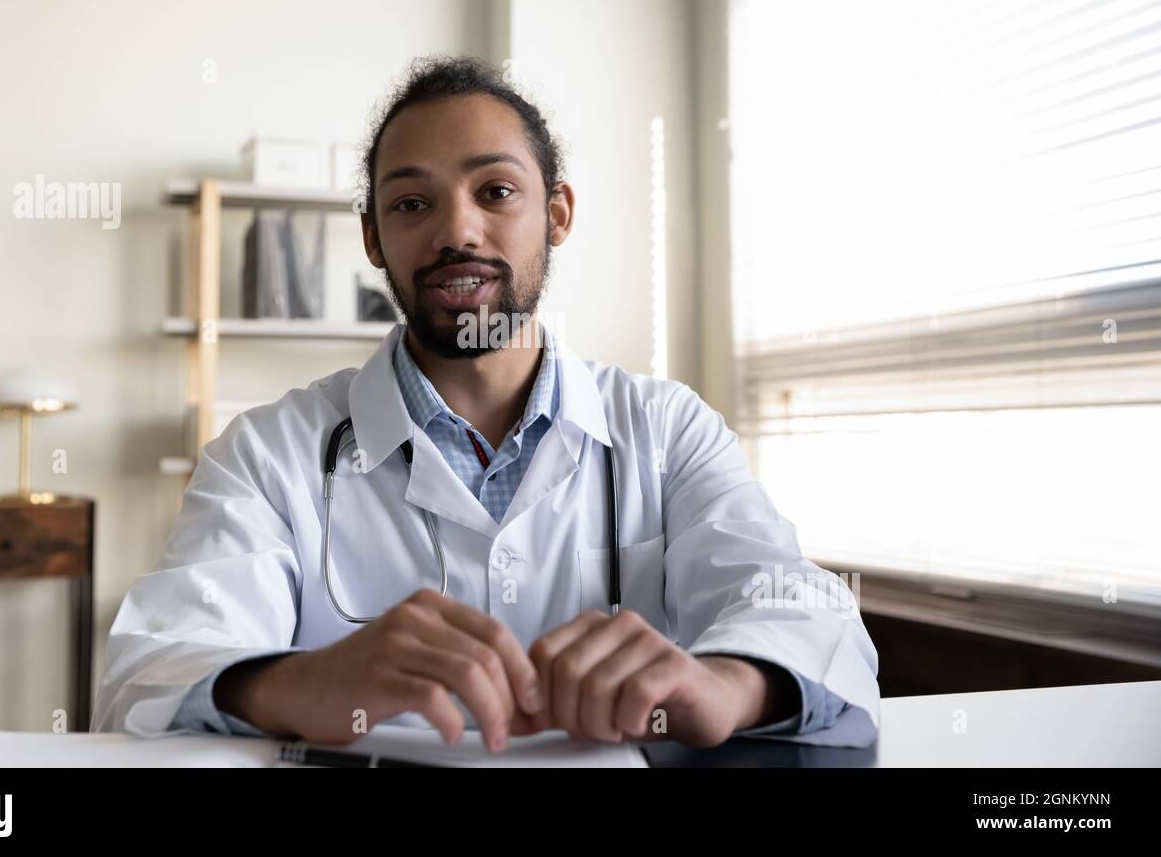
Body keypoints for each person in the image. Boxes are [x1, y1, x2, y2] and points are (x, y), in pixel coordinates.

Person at [93, 55, 880, 751]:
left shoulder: (667, 430)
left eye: (496, 190)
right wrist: (302, 683)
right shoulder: (267, 452)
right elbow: (147, 668)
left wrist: (728, 686)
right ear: (371, 238)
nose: (455, 231)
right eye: (410, 205)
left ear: (558, 213)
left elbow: (803, 609)